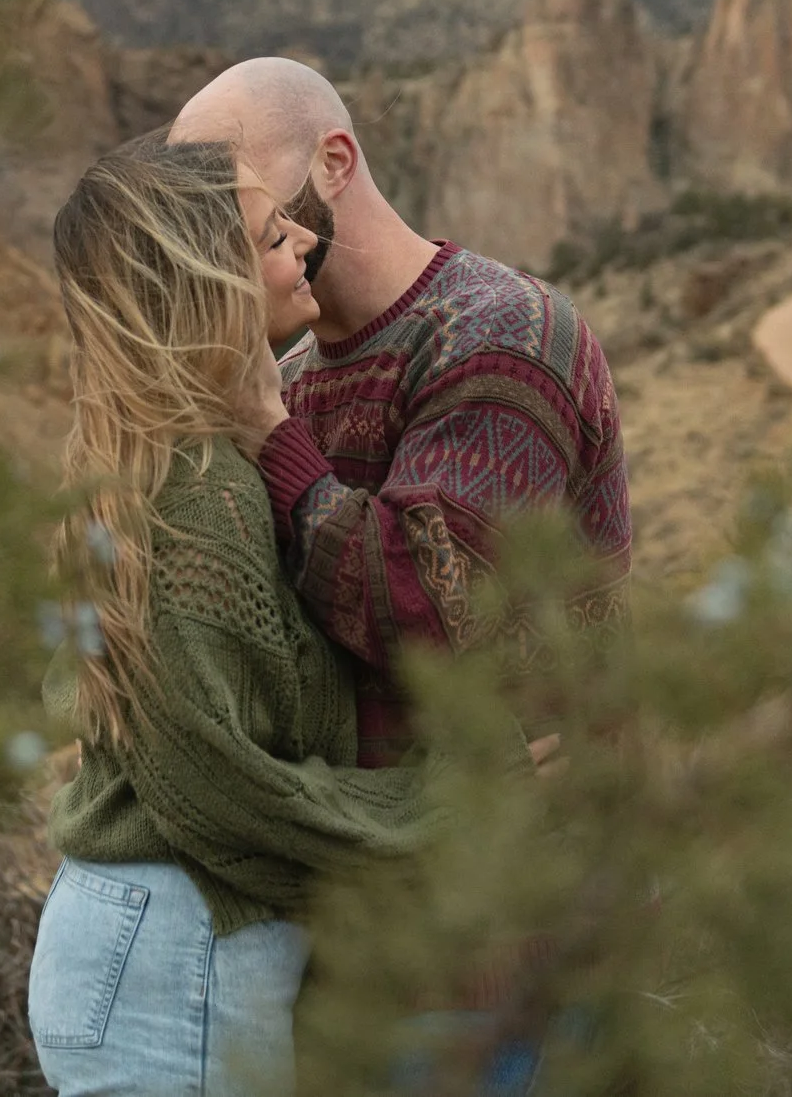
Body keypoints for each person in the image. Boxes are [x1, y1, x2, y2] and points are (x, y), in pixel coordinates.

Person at [28, 134, 429, 1097]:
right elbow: (224, 783)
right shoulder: (193, 490)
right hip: (175, 961)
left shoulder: (174, 459)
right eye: (267, 235)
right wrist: (448, 803)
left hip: (161, 947)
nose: (303, 244)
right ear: (201, 280)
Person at [170, 57, 631, 769]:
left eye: (229, 186)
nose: (206, 225)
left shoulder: (503, 334)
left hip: (538, 855)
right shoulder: (281, 379)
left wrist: (269, 433)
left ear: (333, 162)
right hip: (372, 853)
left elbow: (433, 617)